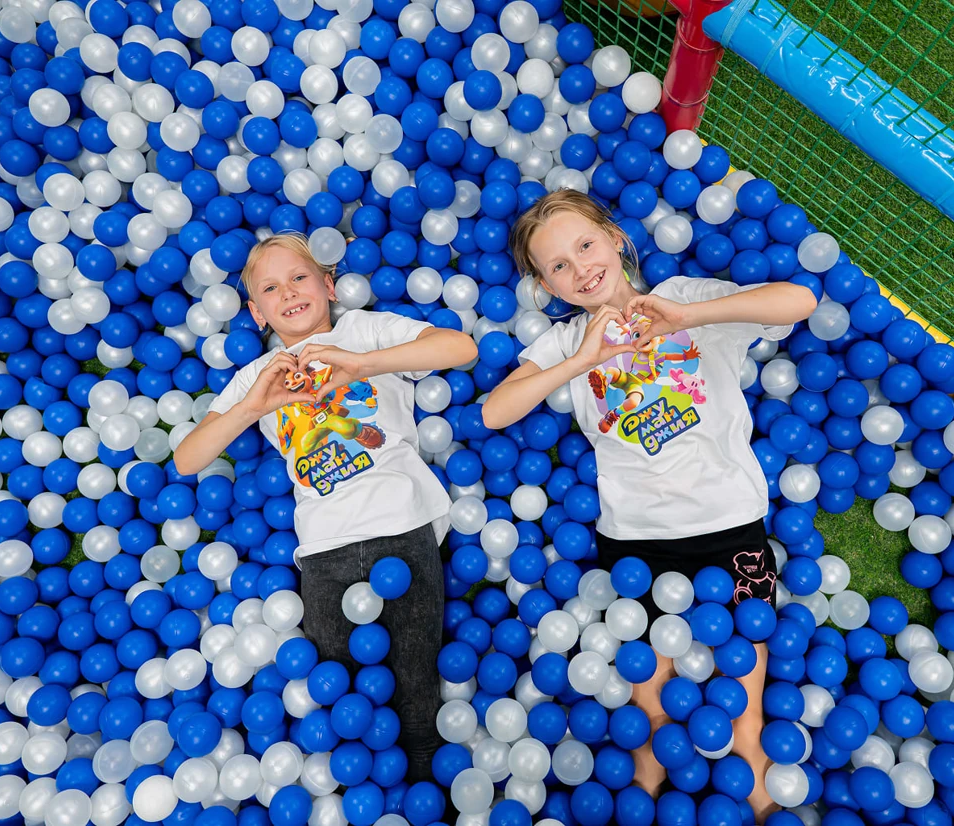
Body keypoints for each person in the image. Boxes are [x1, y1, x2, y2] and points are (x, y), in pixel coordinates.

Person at [482, 190, 817, 820]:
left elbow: (799, 301)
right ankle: (647, 786)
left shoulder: (685, 297)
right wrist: (584, 359)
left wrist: (687, 317)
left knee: (747, 709)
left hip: (728, 524)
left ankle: (758, 790)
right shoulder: (568, 342)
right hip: (637, 542)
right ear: (546, 285)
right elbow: (496, 411)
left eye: (586, 245)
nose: (581, 268)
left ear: (616, 239)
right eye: (558, 266)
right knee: (651, 711)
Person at [175, 232, 478, 782]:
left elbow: (460, 348)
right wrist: (253, 407)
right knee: (339, 692)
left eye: (299, 278)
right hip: (324, 551)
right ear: (256, 312)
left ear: (329, 285)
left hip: (402, 525)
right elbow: (188, 458)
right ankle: (358, 794)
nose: (289, 293)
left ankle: (425, 788)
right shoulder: (257, 377)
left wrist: (361, 365)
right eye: (270, 289)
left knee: (416, 684)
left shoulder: (363, 331)